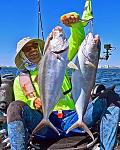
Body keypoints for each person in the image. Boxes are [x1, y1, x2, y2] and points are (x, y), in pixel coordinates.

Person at [7, 19, 120, 150]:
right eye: (27, 49)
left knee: (110, 97)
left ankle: (106, 148)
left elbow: (77, 41)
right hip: (45, 126)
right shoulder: (20, 80)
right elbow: (22, 108)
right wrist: (33, 103)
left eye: (34, 46)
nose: (32, 50)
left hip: (74, 118)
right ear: (22, 55)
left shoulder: (61, 61)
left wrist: (75, 24)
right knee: (14, 107)